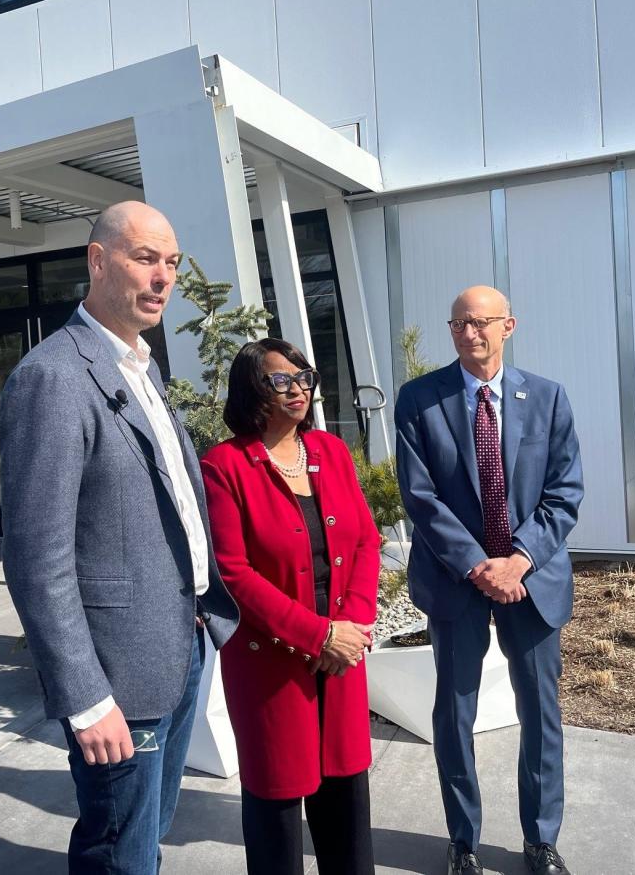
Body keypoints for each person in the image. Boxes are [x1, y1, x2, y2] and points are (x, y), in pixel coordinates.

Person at [0, 201, 240, 874]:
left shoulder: (142, 366)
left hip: (181, 641)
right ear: (98, 261)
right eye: (145, 258)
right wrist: (84, 696)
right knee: (119, 851)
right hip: (118, 672)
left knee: (147, 831)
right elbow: (35, 560)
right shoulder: (53, 378)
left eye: (170, 262)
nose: (163, 277)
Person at [393, 286, 583, 875]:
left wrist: (518, 560)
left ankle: (540, 839)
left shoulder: (548, 398)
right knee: (454, 713)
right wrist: (479, 565)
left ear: (509, 326)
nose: (469, 333)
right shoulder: (419, 400)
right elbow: (420, 497)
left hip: (532, 581)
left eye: (481, 322)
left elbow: (564, 492)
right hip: (458, 581)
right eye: (458, 324)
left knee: (541, 713)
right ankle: (463, 841)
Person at [200, 338, 379, 875]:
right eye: (282, 380)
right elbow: (232, 573)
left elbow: (367, 541)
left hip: (343, 655)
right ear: (252, 388)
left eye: (305, 377)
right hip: (271, 664)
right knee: (276, 804)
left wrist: (354, 626)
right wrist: (318, 635)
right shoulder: (224, 465)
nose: (298, 389)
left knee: (345, 796)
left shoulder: (331, 451)